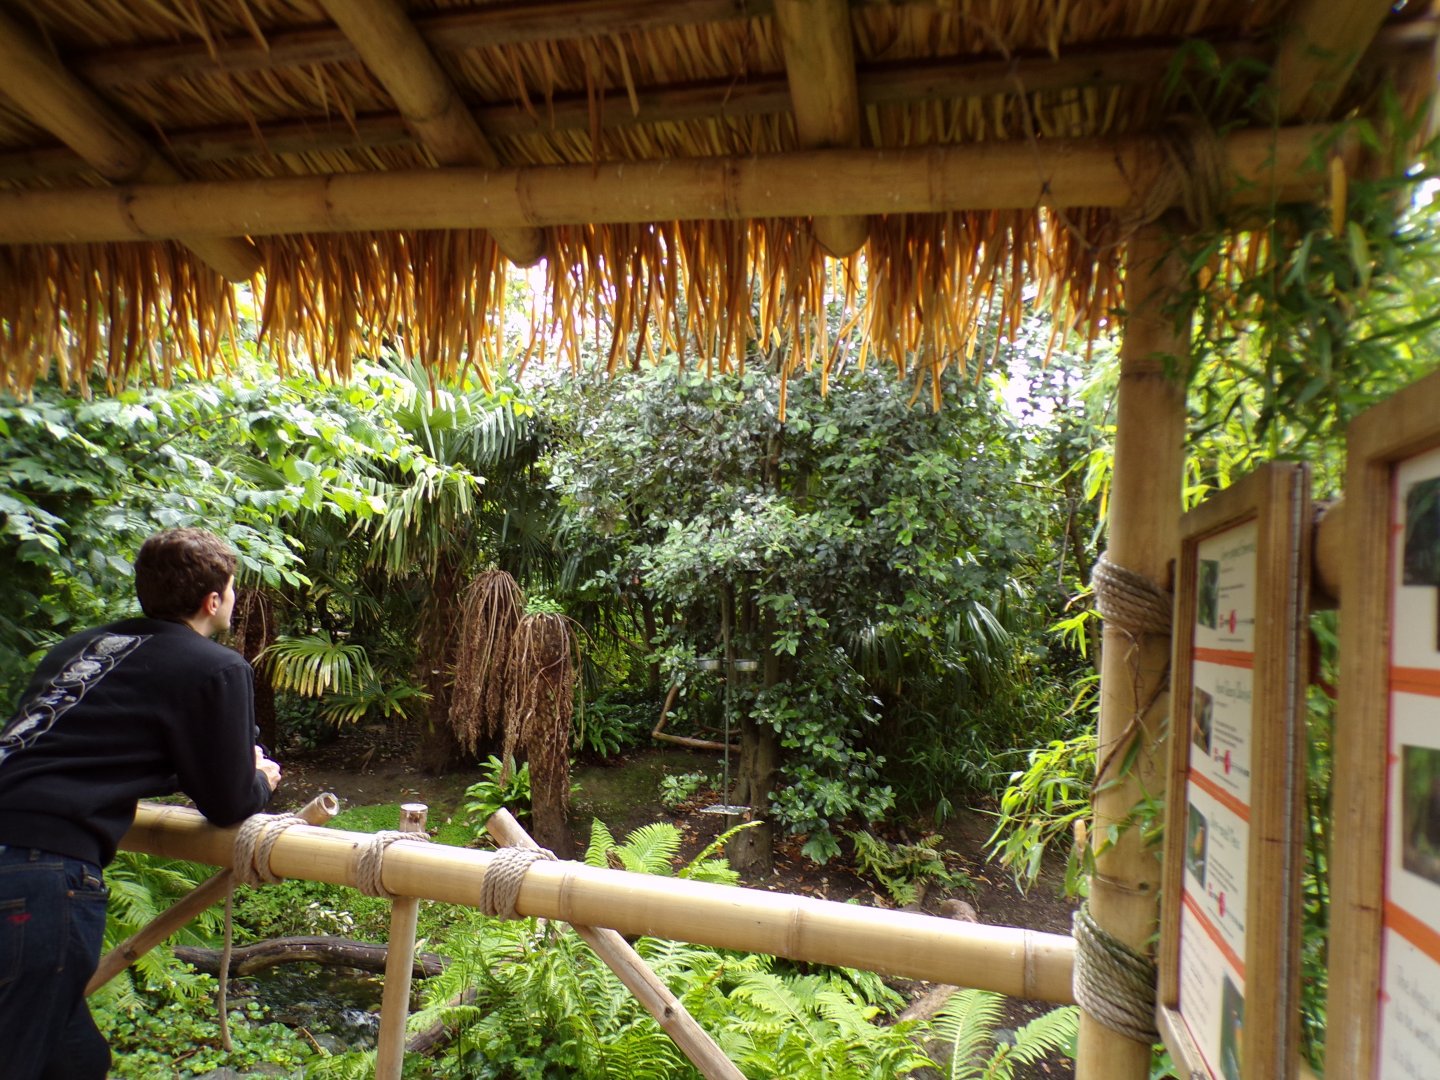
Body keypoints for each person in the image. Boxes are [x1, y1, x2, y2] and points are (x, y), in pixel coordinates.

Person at [0, 527, 282, 1079]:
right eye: (232, 590)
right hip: (37, 872)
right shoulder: (214, 667)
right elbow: (227, 801)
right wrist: (261, 777)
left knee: (75, 1059)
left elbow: (80, 745)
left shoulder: (81, 649)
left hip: (23, 852)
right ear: (213, 600)